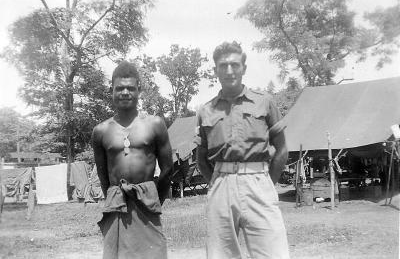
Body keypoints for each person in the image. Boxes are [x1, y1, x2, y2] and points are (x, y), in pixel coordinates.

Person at [196, 41, 290, 259]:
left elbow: (282, 149)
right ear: (215, 70)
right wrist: (216, 182)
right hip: (221, 184)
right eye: (223, 65)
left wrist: (267, 183)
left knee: (273, 252)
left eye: (235, 65)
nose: (230, 70)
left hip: (259, 181)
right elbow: (201, 158)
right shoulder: (206, 110)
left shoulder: (264, 102)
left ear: (244, 68)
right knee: (221, 254)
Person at [92, 61, 173, 259]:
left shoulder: (154, 124)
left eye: (130, 88)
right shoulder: (101, 131)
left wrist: (154, 199)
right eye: (119, 88)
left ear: (139, 90)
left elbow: (168, 169)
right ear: (111, 90)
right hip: (116, 204)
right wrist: (114, 198)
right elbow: (103, 177)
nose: (125, 92)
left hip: (147, 202)